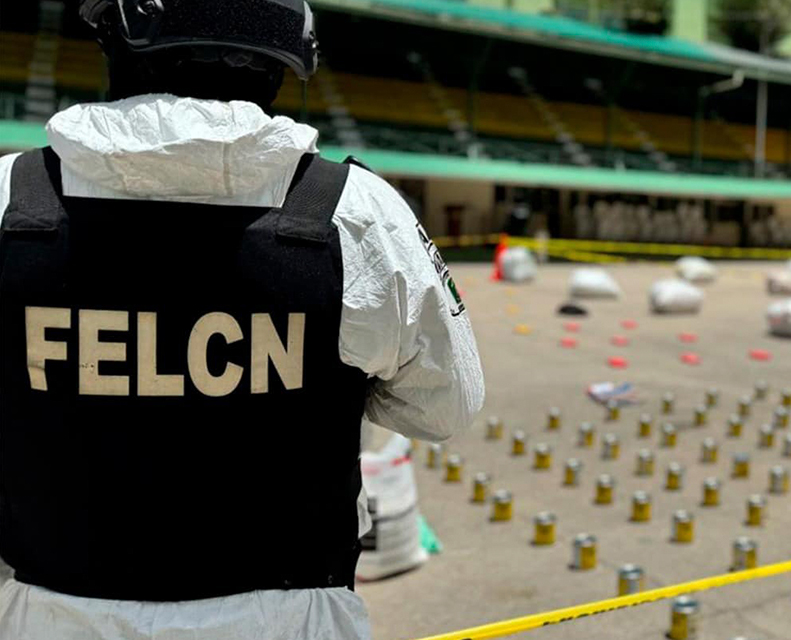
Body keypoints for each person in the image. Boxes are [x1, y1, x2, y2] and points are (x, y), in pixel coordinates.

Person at [0, 1, 485, 639]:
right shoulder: (357, 213)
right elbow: (447, 407)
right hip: (289, 620)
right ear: (283, 55)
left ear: (119, 39)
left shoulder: (11, 199)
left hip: (46, 615)